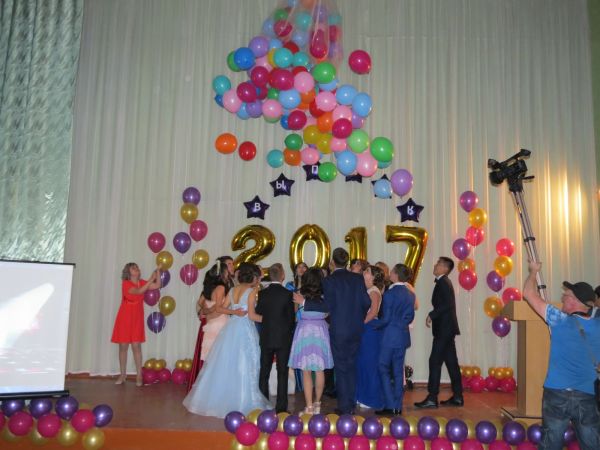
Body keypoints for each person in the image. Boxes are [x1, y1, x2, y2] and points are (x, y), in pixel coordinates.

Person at [523, 261, 600, 450]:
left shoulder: (558, 319)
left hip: (556, 394)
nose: (563, 297)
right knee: (592, 444)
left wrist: (533, 272)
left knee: (550, 444)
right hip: (587, 395)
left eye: (566, 295)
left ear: (575, 301)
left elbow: (528, 293)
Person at [183, 263, 272, 417]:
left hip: (231, 328)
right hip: (245, 329)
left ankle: (225, 397)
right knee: (246, 363)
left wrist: (234, 312)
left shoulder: (232, 290)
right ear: (253, 277)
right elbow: (252, 316)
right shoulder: (251, 291)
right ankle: (243, 400)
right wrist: (270, 320)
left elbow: (219, 308)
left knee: (229, 363)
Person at [295, 248, 371, 414]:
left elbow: (326, 306)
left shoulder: (329, 281)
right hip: (356, 328)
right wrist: (357, 316)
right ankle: (350, 404)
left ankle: (345, 407)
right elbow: (366, 302)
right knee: (351, 367)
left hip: (339, 329)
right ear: (346, 262)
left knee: (341, 368)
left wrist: (304, 303)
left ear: (332, 262)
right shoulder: (357, 278)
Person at [415, 256, 462, 409]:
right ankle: (458, 396)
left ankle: (432, 397)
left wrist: (432, 314)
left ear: (445, 268)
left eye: (439, 264)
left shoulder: (443, 283)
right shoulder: (444, 282)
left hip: (444, 330)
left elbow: (447, 304)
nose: (435, 265)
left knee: (434, 361)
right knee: (451, 363)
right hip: (447, 329)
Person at [288, 268, 334, 414]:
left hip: (305, 330)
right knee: (318, 369)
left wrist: (303, 303)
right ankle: (316, 404)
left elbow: (295, 312)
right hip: (320, 330)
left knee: (307, 370)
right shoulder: (325, 295)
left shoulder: (301, 295)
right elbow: (327, 311)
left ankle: (310, 406)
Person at [187, 256, 234, 391]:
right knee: (217, 355)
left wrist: (207, 311)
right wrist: (204, 311)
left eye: (232, 264)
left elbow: (206, 303)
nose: (232, 267)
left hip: (218, 321)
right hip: (218, 321)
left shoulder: (231, 282)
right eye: (229, 264)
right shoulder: (220, 286)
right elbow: (204, 303)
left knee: (214, 355)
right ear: (222, 269)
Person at [111, 263, 161, 386]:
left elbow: (158, 285)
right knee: (123, 346)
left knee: (136, 346)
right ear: (128, 272)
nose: (137, 269)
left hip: (137, 318)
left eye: (137, 267)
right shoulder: (126, 283)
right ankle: (123, 375)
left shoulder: (142, 282)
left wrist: (158, 271)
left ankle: (139, 376)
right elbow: (138, 291)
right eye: (133, 268)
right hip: (124, 317)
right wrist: (151, 279)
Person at [375, 264, 415, 416]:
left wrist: (373, 324)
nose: (389, 273)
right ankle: (397, 406)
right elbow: (410, 317)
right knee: (398, 371)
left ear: (396, 275)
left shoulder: (389, 294)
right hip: (402, 336)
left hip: (390, 336)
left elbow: (385, 319)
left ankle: (390, 404)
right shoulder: (410, 294)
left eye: (391, 271)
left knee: (383, 367)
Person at [256, 263, 296, 413]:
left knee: (264, 371)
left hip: (266, 336)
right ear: (282, 276)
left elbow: (259, 311)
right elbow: (291, 319)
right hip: (283, 338)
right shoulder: (287, 294)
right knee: (282, 372)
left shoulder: (263, 293)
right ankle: (281, 407)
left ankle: (263, 404)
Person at [356, 265, 385, 410]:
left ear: (373, 277)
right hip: (365, 329)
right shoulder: (366, 289)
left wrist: (359, 325)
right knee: (361, 363)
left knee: (369, 364)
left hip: (370, 330)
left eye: (367, 271)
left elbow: (373, 312)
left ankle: (370, 398)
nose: (364, 272)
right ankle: (361, 395)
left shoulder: (374, 291)